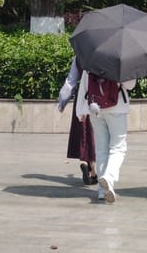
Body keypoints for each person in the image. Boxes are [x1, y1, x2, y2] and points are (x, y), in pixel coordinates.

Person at [78, 72, 136, 203]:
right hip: (117, 107)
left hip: (95, 108)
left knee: (101, 150)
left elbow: (84, 85)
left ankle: (101, 191)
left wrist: (80, 110)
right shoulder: (121, 57)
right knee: (118, 148)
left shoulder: (92, 56)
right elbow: (131, 85)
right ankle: (108, 178)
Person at [57, 56, 97, 185]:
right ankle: (94, 172)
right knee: (96, 134)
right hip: (99, 97)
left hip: (82, 97)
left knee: (84, 131)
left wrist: (62, 102)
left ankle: (85, 162)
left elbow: (71, 81)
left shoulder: (81, 54)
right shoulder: (106, 52)